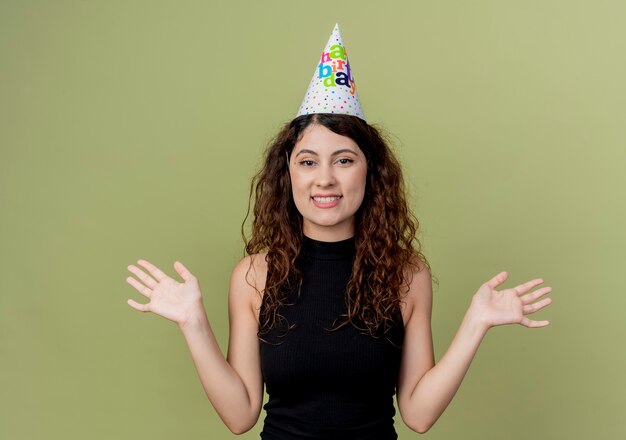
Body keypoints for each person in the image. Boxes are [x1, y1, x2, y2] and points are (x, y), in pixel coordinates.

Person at [125, 24, 552, 439]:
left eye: (344, 160)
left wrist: (476, 322)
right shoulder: (254, 276)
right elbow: (240, 416)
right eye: (308, 162)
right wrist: (193, 322)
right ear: (287, 173)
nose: (325, 178)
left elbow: (419, 415)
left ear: (371, 172)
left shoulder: (406, 274)